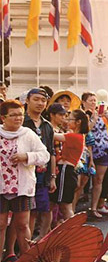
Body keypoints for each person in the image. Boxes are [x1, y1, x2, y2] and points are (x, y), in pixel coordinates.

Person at [0, 100, 50, 262]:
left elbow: (45, 155)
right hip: (2, 187)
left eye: (20, 115)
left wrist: (26, 157)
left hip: (22, 186)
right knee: (0, 225)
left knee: (22, 224)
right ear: (3, 118)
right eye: (13, 115)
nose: (17, 118)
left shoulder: (27, 134)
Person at [23, 89, 55, 241]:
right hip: (23, 174)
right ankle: (22, 247)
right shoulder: (21, 122)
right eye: (36, 99)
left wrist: (53, 177)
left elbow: (51, 152)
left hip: (42, 176)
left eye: (43, 100)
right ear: (27, 101)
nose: (40, 103)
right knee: (26, 212)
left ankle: (41, 242)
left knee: (43, 208)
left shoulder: (47, 126)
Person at [82, 92, 108, 218]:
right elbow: (85, 130)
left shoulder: (100, 115)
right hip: (89, 150)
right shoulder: (83, 115)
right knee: (83, 181)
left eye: (95, 101)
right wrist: (93, 120)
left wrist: (107, 116)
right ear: (84, 102)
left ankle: (95, 207)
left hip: (103, 149)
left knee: (99, 180)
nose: (93, 103)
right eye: (91, 100)